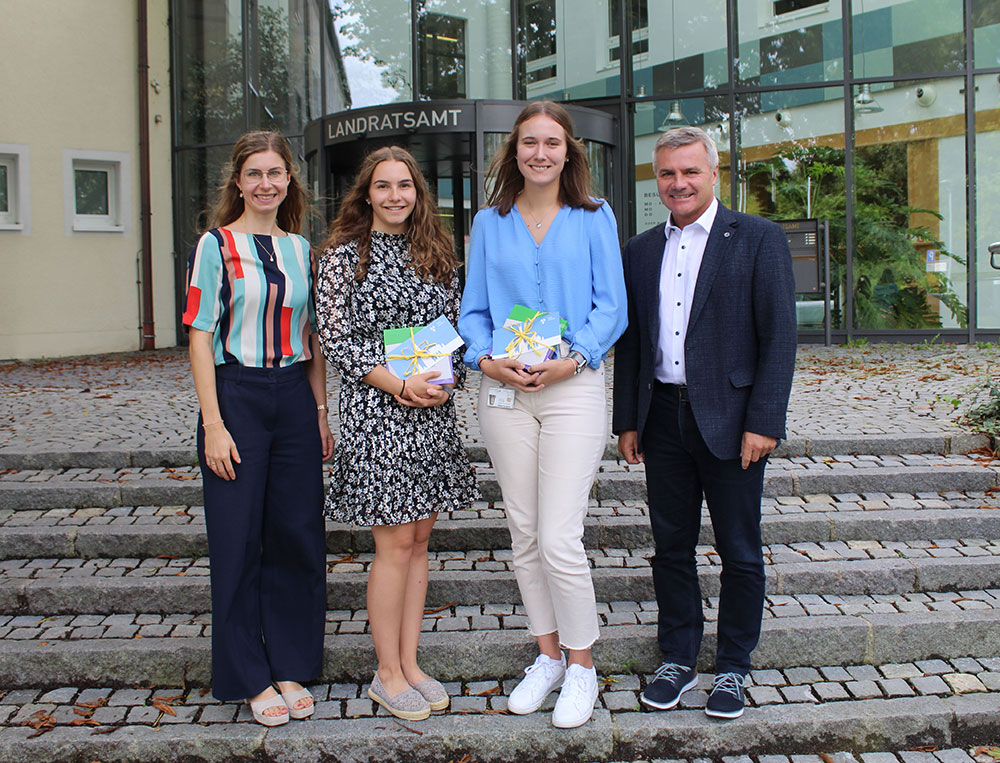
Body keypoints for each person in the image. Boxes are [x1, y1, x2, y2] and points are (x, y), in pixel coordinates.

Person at [612, 126, 796, 719]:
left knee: (740, 549)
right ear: (656, 179)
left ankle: (735, 668)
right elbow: (634, 343)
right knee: (671, 546)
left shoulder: (759, 239)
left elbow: (780, 338)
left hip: (734, 420)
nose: (679, 183)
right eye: (667, 173)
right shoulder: (639, 250)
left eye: (690, 171)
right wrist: (627, 420)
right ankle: (677, 657)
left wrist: (764, 420)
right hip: (662, 415)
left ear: (715, 174)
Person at [458, 101, 628, 729]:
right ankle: (548, 657)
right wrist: (484, 360)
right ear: (514, 151)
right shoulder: (489, 222)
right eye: (529, 142)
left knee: (559, 536)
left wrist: (575, 357)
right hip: (504, 393)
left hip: (572, 387)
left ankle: (583, 667)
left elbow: (612, 306)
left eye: (551, 143)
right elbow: (473, 312)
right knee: (525, 534)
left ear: (568, 152)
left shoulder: (593, 217)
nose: (540, 153)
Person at [315, 146, 477, 722]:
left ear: (418, 191)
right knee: (392, 545)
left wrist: (445, 378)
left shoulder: (434, 251)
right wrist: (398, 385)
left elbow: (454, 327)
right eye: (382, 186)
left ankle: (410, 663)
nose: (395, 196)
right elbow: (336, 339)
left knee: (419, 543)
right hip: (378, 411)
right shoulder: (340, 257)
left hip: (430, 411)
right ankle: (386, 673)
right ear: (365, 194)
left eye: (404, 185)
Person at [183, 130, 334, 726]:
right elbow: (199, 335)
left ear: (289, 180)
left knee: (298, 534)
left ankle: (292, 660)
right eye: (255, 174)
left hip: (294, 398)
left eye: (276, 173)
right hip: (237, 396)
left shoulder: (301, 249)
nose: (266, 184)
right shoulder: (215, 246)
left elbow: (314, 339)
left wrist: (320, 414)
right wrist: (214, 424)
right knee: (238, 538)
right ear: (238, 182)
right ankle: (248, 674)